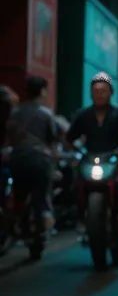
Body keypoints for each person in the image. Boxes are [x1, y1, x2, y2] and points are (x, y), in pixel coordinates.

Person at [6, 76, 58, 231]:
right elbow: (52, 140)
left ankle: (16, 223)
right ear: (42, 92)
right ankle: (45, 218)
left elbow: (10, 137)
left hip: (18, 160)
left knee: (19, 196)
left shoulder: (16, 113)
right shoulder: (46, 114)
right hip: (40, 161)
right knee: (42, 196)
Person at [67, 73, 118, 154]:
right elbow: (70, 138)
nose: (99, 95)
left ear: (111, 92)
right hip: (88, 159)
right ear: (91, 93)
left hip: (115, 158)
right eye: (96, 91)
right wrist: (77, 152)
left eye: (103, 91)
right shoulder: (83, 115)